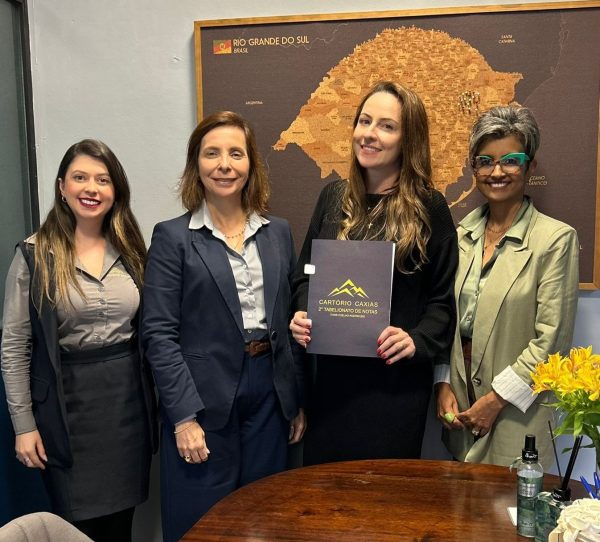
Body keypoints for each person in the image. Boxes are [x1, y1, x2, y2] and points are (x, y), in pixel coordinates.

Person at [142, 111, 306, 542]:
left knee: (264, 517)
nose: (224, 165)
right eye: (211, 153)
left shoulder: (278, 233)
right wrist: (182, 418)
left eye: (236, 153)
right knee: (202, 522)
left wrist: (293, 401)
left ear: (251, 163)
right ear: (196, 164)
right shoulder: (173, 238)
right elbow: (158, 334)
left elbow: (288, 321)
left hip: (268, 395)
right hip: (202, 399)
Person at [289, 81, 458, 464]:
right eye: (364, 121)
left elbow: (442, 302)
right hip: (331, 388)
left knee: (385, 495)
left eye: (386, 126)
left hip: (394, 390)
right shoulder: (332, 198)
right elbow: (305, 275)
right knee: (325, 492)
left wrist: (416, 340)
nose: (369, 133)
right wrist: (301, 313)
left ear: (408, 139)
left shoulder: (430, 208)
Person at [1, 139, 157, 542]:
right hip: (65, 412)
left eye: (103, 180)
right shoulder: (34, 255)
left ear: (115, 190)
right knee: (76, 528)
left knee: (121, 525)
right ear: (62, 187)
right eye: (80, 178)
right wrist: (24, 426)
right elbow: (15, 348)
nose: (91, 188)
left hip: (127, 409)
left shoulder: (131, 249)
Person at [435, 105, 579, 468]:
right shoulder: (460, 236)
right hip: (461, 407)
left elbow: (551, 342)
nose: (496, 172)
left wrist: (496, 400)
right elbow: (445, 318)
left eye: (510, 161)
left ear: (530, 167)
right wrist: (442, 382)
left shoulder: (555, 240)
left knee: (510, 502)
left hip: (517, 413)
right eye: (485, 162)